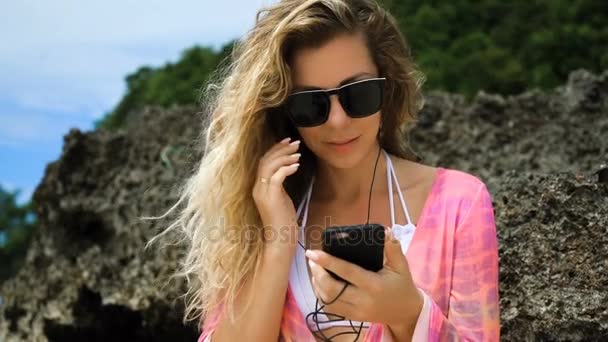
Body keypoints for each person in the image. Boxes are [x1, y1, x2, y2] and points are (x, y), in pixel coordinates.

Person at [150, 0, 500, 341]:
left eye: (358, 94)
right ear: (285, 112)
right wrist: (278, 239)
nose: (337, 121)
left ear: (387, 88)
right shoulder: (266, 211)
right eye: (310, 104)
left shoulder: (459, 202)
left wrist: (407, 313)